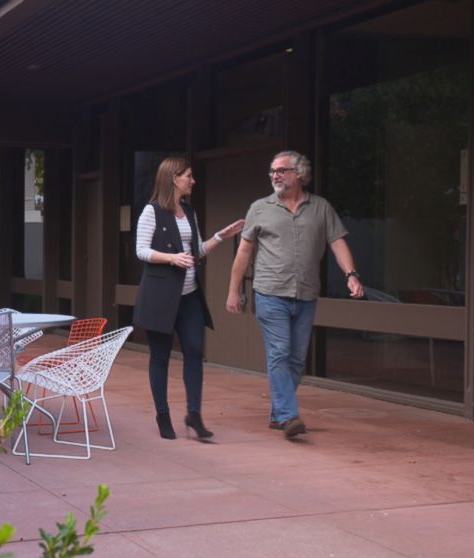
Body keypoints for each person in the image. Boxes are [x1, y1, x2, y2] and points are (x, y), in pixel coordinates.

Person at [226, 151, 364, 439]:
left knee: (297, 359)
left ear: (299, 173)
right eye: (272, 171)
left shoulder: (321, 208)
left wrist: (351, 275)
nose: (275, 175)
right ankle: (289, 416)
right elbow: (244, 252)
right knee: (279, 353)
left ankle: (278, 413)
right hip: (270, 292)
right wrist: (233, 290)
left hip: (306, 293)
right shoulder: (260, 208)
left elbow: (337, 242)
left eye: (281, 170)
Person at [134, 156, 244, 442]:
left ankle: (193, 415)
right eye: (189, 176)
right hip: (160, 297)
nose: (193, 181)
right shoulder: (151, 212)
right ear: (174, 178)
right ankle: (163, 415)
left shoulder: (188, 211)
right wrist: (172, 258)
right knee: (160, 357)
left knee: (194, 351)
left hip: (189, 295)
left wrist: (220, 236)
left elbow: (195, 251)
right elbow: (141, 251)